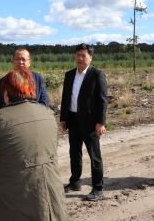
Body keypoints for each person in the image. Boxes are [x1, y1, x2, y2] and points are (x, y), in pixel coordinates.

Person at [0, 68, 67, 221]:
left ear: (6, 93)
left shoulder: (1, 119)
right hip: (49, 197)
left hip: (12, 200)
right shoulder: (48, 114)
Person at [60, 43, 109, 201]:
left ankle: (98, 188)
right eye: (77, 55)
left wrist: (100, 122)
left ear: (90, 57)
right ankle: (75, 182)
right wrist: (63, 118)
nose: (80, 58)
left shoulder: (97, 75)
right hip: (73, 120)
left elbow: (102, 101)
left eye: (83, 55)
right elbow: (65, 98)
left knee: (95, 156)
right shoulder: (69, 75)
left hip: (91, 123)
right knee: (74, 153)